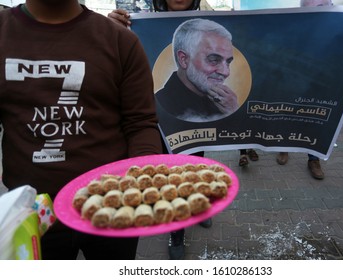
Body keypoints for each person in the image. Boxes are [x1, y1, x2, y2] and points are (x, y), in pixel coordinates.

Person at [0, 0, 163, 260]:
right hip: (30, 212)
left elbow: (140, 123)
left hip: (113, 205)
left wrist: (145, 183)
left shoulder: (121, 41)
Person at [109, 0, 214, 261]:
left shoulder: (210, 19)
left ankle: (196, 208)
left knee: (194, 169)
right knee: (168, 175)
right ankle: (176, 228)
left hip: (195, 123)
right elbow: (110, 53)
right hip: (154, 119)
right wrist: (112, 27)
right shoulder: (138, 21)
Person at [276, 0, 333, 180]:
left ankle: (313, 158)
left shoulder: (332, 27)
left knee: (313, 119)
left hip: (319, 79)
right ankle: (284, 147)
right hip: (294, 78)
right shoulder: (296, 25)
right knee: (289, 113)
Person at [155, 18, 239, 122]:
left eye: (228, 62)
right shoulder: (158, 105)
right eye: (213, 60)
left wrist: (234, 113)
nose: (226, 72)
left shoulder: (224, 105)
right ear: (184, 59)